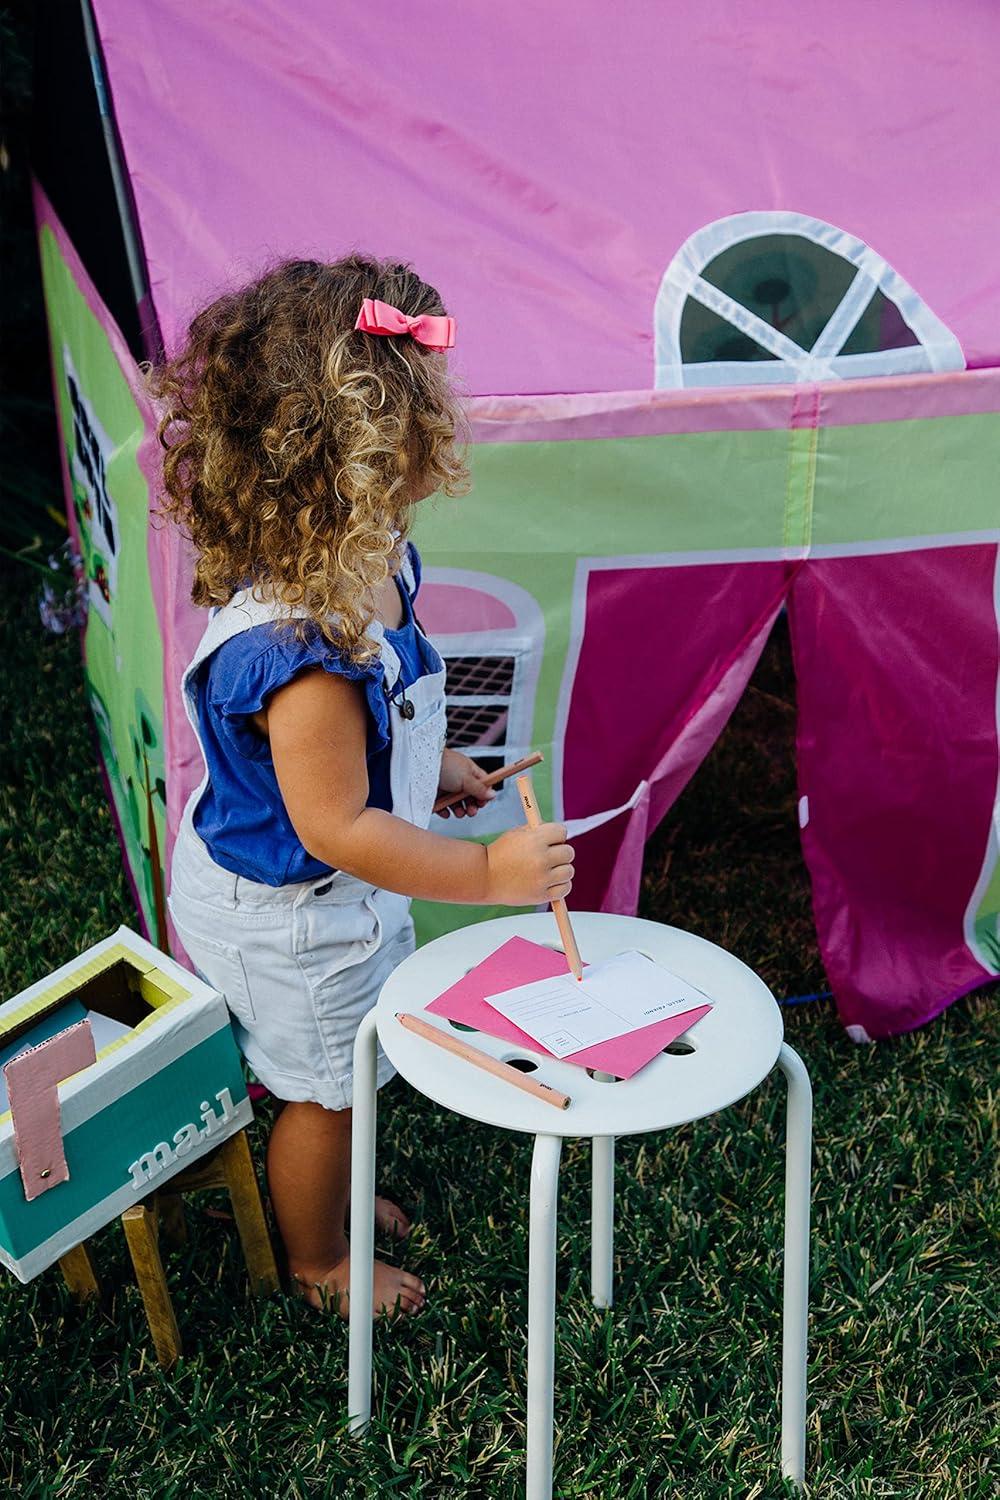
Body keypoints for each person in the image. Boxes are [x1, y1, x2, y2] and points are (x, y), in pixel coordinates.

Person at [149, 256, 574, 1318]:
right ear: (355, 460)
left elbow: (377, 752)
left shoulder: (370, 558)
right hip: (291, 909)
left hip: (331, 884)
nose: (446, 436)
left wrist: (440, 779)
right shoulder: (299, 652)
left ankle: (331, 1193)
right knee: (324, 1090)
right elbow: (335, 824)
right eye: (423, 426)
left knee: (352, 1056)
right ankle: (317, 1259)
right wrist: (483, 874)